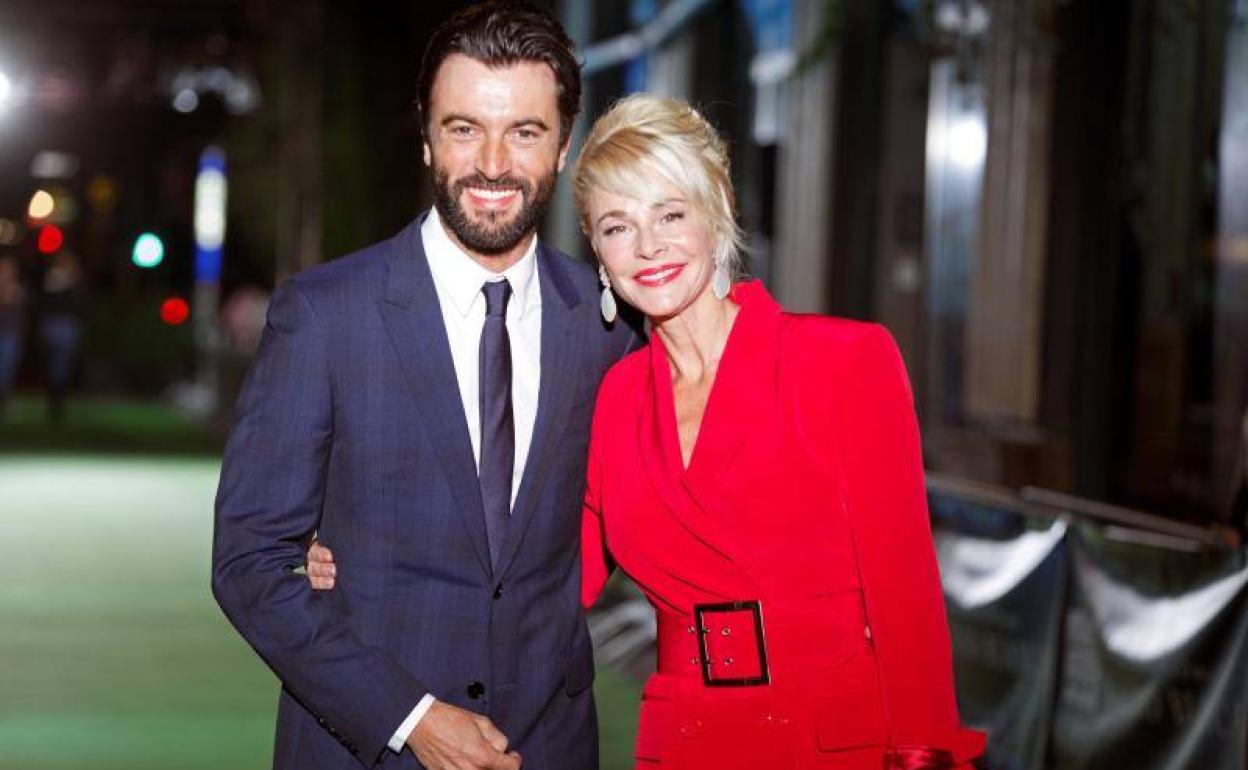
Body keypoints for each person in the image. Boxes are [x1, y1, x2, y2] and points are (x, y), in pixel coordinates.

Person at [312, 94, 986, 769]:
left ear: (715, 216)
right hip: (685, 741)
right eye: (617, 226)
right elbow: (531, 577)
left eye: (670, 214)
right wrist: (362, 551)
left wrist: (923, 755)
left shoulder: (845, 362)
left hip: (838, 741)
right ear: (597, 253)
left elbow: (908, 602)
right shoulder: (615, 401)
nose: (648, 247)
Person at [211, 4, 635, 770]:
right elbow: (249, 562)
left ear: (566, 144)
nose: (494, 164)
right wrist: (410, 718)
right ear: (427, 135)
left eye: (526, 132)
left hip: (550, 744)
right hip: (366, 747)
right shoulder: (325, 313)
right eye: (465, 128)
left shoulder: (609, 327)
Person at [38, 252, 87, 423]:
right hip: (50, 325)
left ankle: (58, 401)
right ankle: (52, 396)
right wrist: (51, 286)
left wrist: (71, 284)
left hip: (67, 327)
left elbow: (81, 305)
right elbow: (41, 304)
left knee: (62, 365)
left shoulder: (76, 282)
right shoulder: (50, 281)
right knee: (50, 364)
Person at [0, 254, 26, 420]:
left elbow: (21, 315)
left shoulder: (18, 291)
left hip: (10, 335)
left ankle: (4, 404)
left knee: (6, 371)